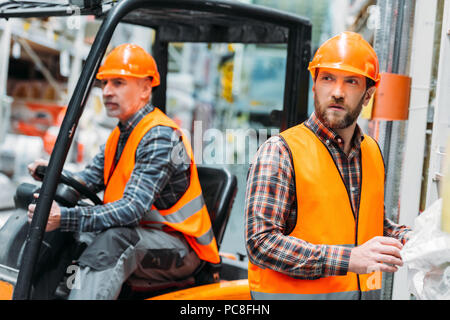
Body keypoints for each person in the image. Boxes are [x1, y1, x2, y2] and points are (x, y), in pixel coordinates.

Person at [27, 43, 220, 300]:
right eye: (105, 83)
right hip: (142, 238)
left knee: (112, 242)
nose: (107, 91)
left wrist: (64, 216)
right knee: (75, 235)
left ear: (144, 88)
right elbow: (88, 180)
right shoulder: (120, 134)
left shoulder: (160, 136)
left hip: (179, 249)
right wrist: (50, 176)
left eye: (118, 83)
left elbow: (131, 210)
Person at [245, 31, 412, 300]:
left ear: (368, 94)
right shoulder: (280, 152)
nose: (337, 92)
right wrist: (349, 259)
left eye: (351, 82)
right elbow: (261, 243)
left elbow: (368, 224)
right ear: (314, 85)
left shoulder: (371, 152)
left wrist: (411, 239)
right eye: (327, 78)